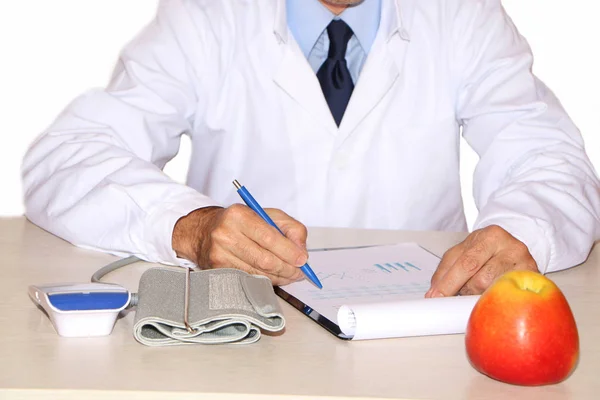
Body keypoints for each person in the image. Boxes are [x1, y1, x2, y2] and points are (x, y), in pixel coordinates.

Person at [22, 0, 600, 297]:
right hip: (243, 331)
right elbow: (67, 157)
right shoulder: (208, 15)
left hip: (423, 338)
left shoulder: (462, 14)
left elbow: (548, 159)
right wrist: (189, 226)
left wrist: (524, 230)